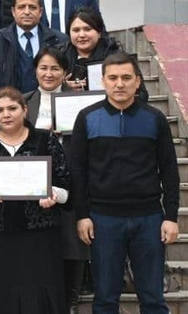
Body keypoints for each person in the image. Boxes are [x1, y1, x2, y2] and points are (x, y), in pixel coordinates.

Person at [72, 53, 180, 313]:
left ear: (137, 81)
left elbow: (169, 169)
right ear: (103, 81)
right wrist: (82, 215)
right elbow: (78, 170)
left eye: (126, 77)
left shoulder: (154, 118)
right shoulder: (87, 117)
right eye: (112, 78)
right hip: (103, 219)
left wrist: (171, 216)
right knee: (105, 299)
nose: (119, 84)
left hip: (149, 218)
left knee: (153, 298)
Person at [0, 87, 70, 313]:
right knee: (1, 292)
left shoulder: (45, 139)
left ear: (25, 110)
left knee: (40, 292)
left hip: (40, 235)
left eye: (12, 108)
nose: (6, 114)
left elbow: (65, 186)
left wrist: (53, 194)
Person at [18, 46, 87, 311]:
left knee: (72, 240)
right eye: (43, 68)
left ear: (65, 72)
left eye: (55, 68)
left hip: (72, 177)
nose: (48, 74)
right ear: (35, 70)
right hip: (32, 181)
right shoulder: (24, 101)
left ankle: (71, 299)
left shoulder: (79, 101)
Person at [0, 0, 67, 93]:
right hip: (8, 102)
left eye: (32, 7)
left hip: (48, 101)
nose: (27, 12)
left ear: (40, 12)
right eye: (21, 7)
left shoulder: (59, 40)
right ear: (13, 11)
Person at [63, 7, 148, 101]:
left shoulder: (118, 57)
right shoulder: (60, 56)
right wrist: (62, 87)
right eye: (76, 30)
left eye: (87, 29)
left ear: (99, 32)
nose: (82, 35)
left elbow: (142, 95)